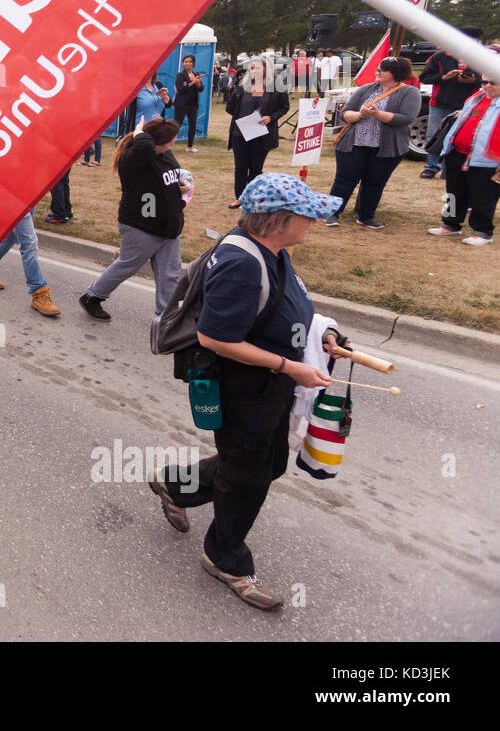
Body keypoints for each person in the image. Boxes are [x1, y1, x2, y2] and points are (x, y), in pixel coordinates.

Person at [149, 172, 344, 610]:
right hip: (243, 389)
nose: (313, 224)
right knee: (247, 475)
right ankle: (226, 559)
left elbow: (282, 308)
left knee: (269, 462)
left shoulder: (271, 250)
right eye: (307, 216)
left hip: (270, 386)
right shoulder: (241, 262)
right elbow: (216, 338)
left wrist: (325, 336)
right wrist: (289, 365)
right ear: (278, 220)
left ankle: (175, 485)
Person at [79, 119, 186, 321]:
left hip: (168, 226)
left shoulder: (163, 153)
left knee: (169, 274)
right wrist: (138, 131)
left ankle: (167, 318)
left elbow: (171, 174)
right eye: (171, 141)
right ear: (155, 142)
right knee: (127, 265)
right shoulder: (133, 158)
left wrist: (182, 184)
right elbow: (145, 145)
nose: (173, 144)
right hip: (141, 226)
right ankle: (92, 297)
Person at [324, 56, 420, 229]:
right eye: (378, 69)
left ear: (395, 73)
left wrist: (377, 114)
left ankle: (366, 216)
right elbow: (345, 114)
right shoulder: (367, 88)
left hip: (386, 148)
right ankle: (332, 213)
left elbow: (406, 118)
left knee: (375, 183)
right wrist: (361, 115)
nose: (377, 72)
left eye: (382, 70)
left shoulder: (410, 92)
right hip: (354, 143)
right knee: (344, 180)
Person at [428, 73, 500, 245]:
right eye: (484, 82)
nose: (488, 86)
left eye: (493, 83)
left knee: (483, 196)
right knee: (453, 192)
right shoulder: (475, 98)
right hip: (457, 153)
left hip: (487, 160)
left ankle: (483, 231)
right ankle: (450, 224)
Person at [419, 28, 485, 179]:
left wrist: (475, 81)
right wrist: (444, 77)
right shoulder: (441, 56)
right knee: (434, 136)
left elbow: (493, 79)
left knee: (460, 138)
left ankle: (450, 169)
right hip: (439, 103)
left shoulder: (482, 58)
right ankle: (431, 167)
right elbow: (424, 77)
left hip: (469, 105)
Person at [225, 56, 289, 207]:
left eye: (258, 67)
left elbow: (284, 107)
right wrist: (234, 91)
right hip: (240, 133)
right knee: (240, 167)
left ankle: (253, 197)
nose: (254, 70)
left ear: (267, 69)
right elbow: (230, 108)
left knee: (255, 168)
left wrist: (271, 117)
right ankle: (239, 198)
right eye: (251, 68)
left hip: (262, 134)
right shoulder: (242, 87)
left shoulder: (276, 88)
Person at [0, 213, 62, 316]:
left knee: (14, 235)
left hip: (28, 199)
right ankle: (39, 293)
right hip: (14, 201)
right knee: (29, 243)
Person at [172, 54, 203, 152]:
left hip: (193, 104)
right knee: (177, 125)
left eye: (190, 61)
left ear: (193, 63)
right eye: (186, 61)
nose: (188, 63)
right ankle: (169, 144)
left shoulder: (196, 73)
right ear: (183, 63)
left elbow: (201, 89)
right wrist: (192, 83)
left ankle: (190, 147)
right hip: (181, 104)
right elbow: (180, 89)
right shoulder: (181, 75)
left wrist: (198, 83)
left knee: (192, 125)